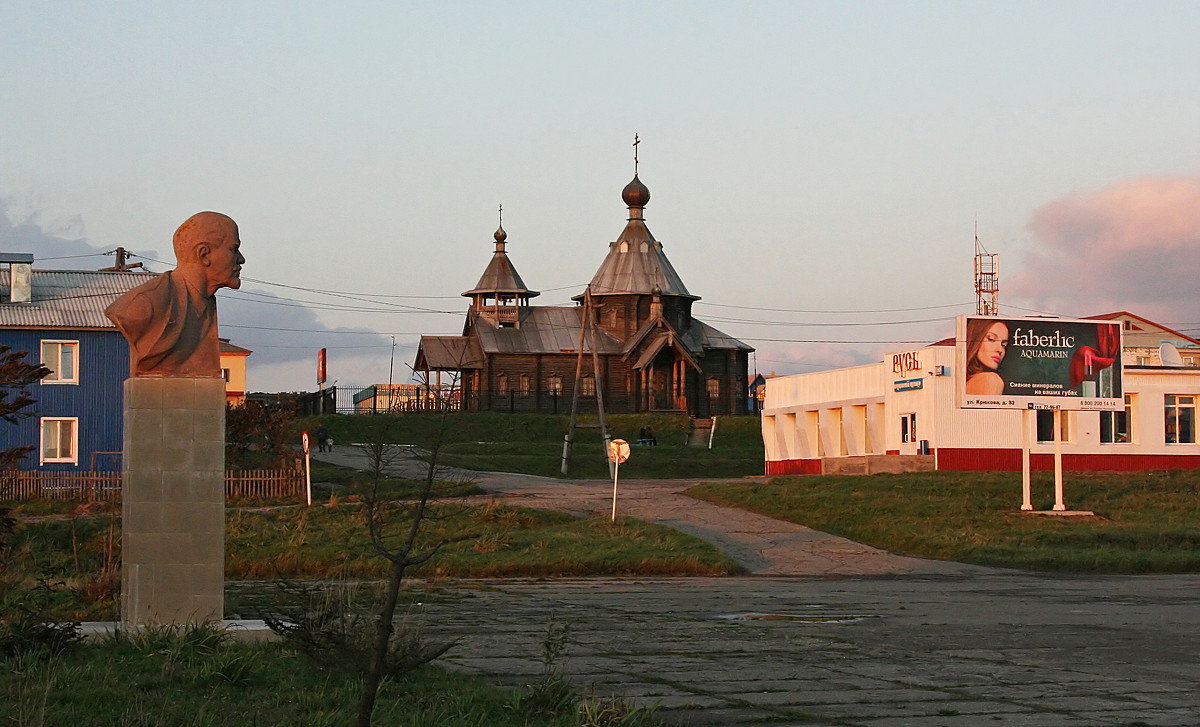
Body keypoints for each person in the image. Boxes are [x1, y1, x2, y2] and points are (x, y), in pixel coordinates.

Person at [106, 212, 244, 377]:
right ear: (204, 254)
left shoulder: (206, 304)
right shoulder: (143, 305)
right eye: (234, 249)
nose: (241, 259)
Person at [964, 318, 1009, 395]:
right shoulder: (990, 380)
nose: (1000, 350)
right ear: (975, 339)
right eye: (991, 339)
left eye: (1003, 345)